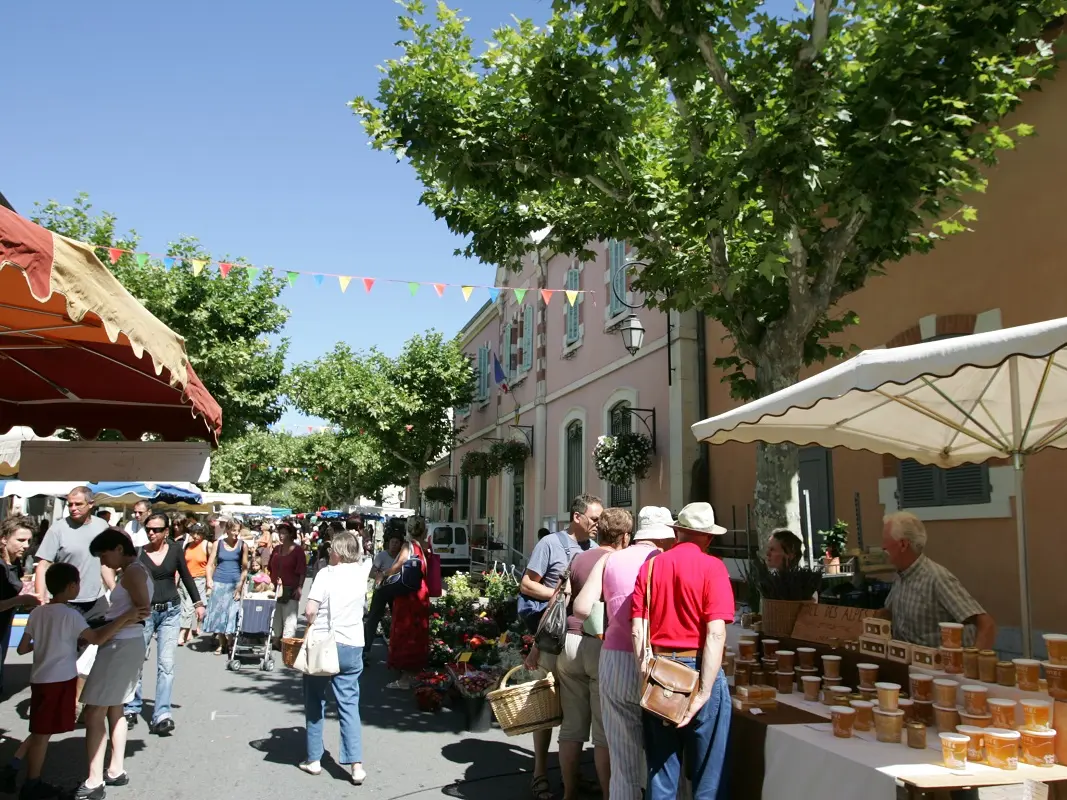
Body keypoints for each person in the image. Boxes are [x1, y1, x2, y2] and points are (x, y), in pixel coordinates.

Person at [14, 563, 143, 800]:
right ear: (72, 586)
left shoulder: (37, 613)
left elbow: (23, 648)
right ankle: (32, 782)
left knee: (41, 729)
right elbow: (96, 638)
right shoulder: (71, 615)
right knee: (43, 733)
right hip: (60, 679)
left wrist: (43, 641)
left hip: (39, 679)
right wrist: (124, 618)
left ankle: (23, 770)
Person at [632, 502, 733, 800]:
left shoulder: (650, 566)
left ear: (677, 532)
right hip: (699, 667)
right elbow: (715, 633)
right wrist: (703, 691)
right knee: (709, 776)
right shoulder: (713, 567)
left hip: (660, 670)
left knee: (660, 773)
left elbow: (638, 630)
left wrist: (645, 673)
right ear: (709, 537)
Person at [574, 507, 676, 800]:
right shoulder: (663, 560)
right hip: (657, 659)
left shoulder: (610, 559)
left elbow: (581, 608)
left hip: (615, 658)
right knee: (665, 753)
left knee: (623, 759)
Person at [521, 494, 602, 800]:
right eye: (593, 518)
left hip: (582, 641)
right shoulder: (551, 544)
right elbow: (527, 584)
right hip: (551, 638)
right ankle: (539, 771)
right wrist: (557, 596)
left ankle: (573, 776)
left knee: (574, 713)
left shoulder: (596, 549)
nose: (597, 524)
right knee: (544, 708)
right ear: (577, 517)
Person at [556, 507, 631, 800]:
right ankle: (607, 793)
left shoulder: (579, 557)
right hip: (601, 645)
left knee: (571, 727)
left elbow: (561, 598)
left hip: (570, 642)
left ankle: (570, 792)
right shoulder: (619, 561)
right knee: (603, 732)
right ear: (625, 536)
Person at [77, 528, 153, 800]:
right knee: (115, 708)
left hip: (120, 644)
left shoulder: (132, 572)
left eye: (104, 554)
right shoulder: (136, 569)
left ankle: (95, 779)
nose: (103, 561)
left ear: (119, 548)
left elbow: (142, 610)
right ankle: (114, 769)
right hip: (126, 643)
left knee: (96, 710)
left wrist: (113, 625)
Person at [299, 532, 374, 785]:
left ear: (339, 552)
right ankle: (356, 765)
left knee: (314, 700)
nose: (329, 552)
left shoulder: (326, 574)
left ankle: (314, 759)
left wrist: (311, 620)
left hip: (325, 643)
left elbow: (310, 610)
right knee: (349, 704)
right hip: (353, 644)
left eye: (332, 548)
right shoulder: (361, 573)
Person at [123, 513, 205, 735]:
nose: (152, 533)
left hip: (170, 612)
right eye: (149, 529)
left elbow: (187, 577)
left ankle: (162, 714)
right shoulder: (139, 553)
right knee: (136, 661)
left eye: (157, 529)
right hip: (144, 613)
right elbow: (127, 580)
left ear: (166, 531)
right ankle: (131, 706)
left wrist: (198, 603)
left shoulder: (175, 550)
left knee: (166, 665)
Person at [881, 511, 996, 649]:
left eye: (886, 542)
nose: (883, 548)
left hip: (941, 666)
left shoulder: (936, 578)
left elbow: (986, 624)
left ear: (903, 545)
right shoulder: (900, 576)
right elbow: (889, 614)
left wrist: (972, 662)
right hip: (910, 665)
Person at [34, 487, 112, 616]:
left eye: (78, 504)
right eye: (70, 504)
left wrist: (114, 589)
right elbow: (43, 565)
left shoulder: (102, 526)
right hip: (66, 602)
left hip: (97, 601)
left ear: (91, 504)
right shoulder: (57, 529)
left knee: (101, 636)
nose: (73, 508)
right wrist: (40, 599)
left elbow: (105, 563)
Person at [383, 516, 431, 690]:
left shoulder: (408, 546)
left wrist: (385, 573)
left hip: (408, 595)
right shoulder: (425, 546)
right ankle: (416, 672)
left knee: (405, 632)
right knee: (418, 633)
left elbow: (400, 563)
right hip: (421, 592)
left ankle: (405, 678)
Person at [0, 517, 41, 696]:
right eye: (20, 540)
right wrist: (22, 599)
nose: (26, 545)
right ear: (3, 539)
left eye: (29, 541)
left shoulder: (14, 563)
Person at [203, 518, 249, 656]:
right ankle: (222, 643)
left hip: (235, 582)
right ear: (227, 530)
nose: (236, 533)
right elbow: (210, 564)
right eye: (233, 530)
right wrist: (209, 579)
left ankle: (230, 642)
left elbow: (245, 568)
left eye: (238, 530)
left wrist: (240, 586)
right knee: (218, 614)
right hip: (219, 582)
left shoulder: (243, 545)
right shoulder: (218, 544)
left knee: (232, 614)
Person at [363, 533, 403, 663]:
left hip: (396, 591)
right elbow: (372, 573)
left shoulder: (401, 557)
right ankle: (366, 650)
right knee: (373, 619)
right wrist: (383, 576)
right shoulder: (382, 556)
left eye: (397, 542)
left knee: (398, 620)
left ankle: (397, 651)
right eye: (392, 542)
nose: (394, 545)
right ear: (388, 543)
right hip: (381, 590)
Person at [268, 522, 307, 648]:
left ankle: (286, 642)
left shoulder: (298, 551)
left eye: (284, 533)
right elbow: (269, 567)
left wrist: (300, 587)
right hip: (275, 587)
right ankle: (275, 638)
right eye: (280, 532)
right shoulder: (276, 549)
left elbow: (302, 571)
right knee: (276, 614)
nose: (281, 535)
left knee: (289, 616)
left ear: (290, 534)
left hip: (291, 587)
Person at [178, 522, 210, 646]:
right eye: (194, 533)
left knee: (189, 607)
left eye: (199, 533)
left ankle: (181, 633)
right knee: (183, 607)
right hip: (184, 579)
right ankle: (189, 632)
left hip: (198, 579)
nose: (196, 536)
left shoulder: (207, 545)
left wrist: (209, 582)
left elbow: (211, 564)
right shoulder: (187, 546)